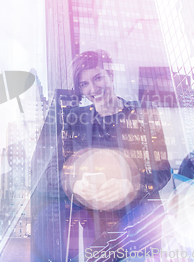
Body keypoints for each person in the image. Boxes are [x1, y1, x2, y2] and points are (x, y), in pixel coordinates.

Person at [31, 50, 172, 261]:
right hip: (91, 227)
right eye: (84, 84)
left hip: (138, 223)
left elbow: (162, 170)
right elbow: (52, 171)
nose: (93, 88)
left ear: (111, 75)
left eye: (98, 78)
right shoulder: (74, 119)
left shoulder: (144, 113)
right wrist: (74, 184)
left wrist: (132, 184)